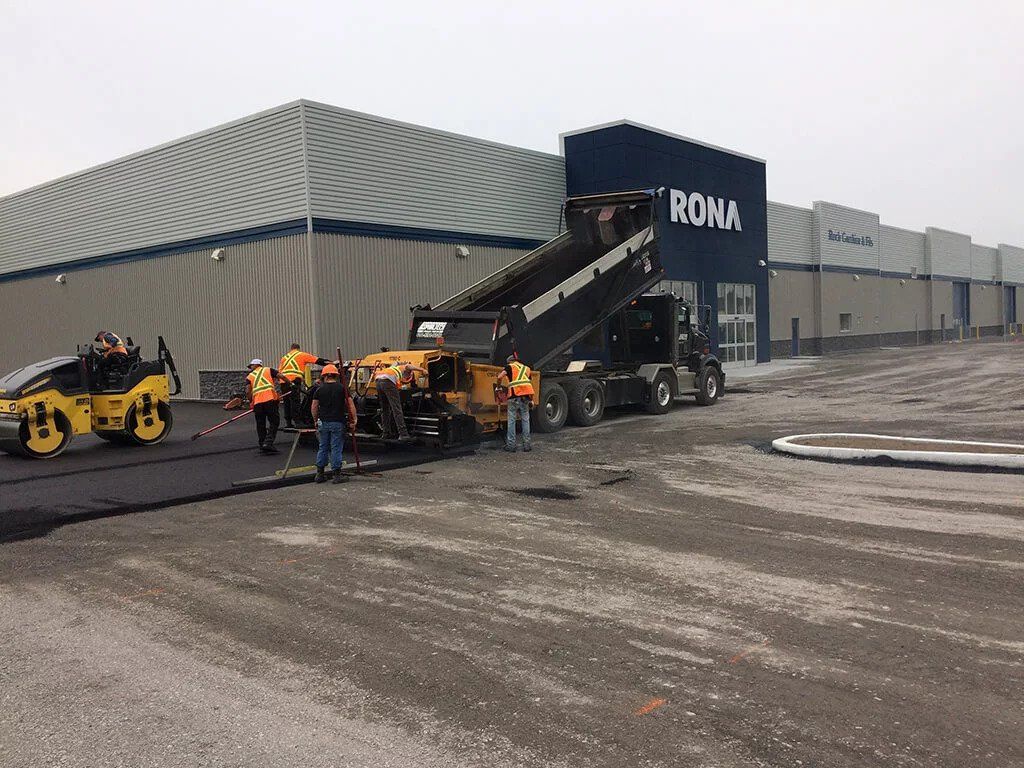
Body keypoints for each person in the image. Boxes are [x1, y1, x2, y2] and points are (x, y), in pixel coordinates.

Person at [311, 364, 357, 484]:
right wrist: (354, 419)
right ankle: (336, 474)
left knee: (323, 447)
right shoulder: (342, 388)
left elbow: (314, 407)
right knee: (336, 447)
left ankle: (319, 474)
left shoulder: (319, 389)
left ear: (324, 376)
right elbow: (350, 404)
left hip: (323, 422)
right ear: (336, 376)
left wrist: (315, 420)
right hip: (337, 422)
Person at [278, 343, 331, 428]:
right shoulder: (301, 355)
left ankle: (288, 422)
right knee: (295, 401)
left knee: (287, 402)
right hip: (294, 380)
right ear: (298, 349)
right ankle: (298, 422)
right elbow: (318, 360)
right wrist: (331, 363)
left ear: (291, 349)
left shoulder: (284, 358)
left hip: (283, 381)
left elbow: (280, 371)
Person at [373, 361, 427, 441]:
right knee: (397, 408)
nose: (405, 379)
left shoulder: (393, 368)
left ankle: (386, 433)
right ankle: (403, 434)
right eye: (407, 378)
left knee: (385, 409)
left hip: (378, 381)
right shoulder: (403, 368)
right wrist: (422, 369)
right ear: (408, 373)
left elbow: (396, 362)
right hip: (387, 382)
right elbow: (409, 366)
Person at [245, 358, 288, 454]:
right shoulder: (269, 370)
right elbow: (282, 376)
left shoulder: (249, 377)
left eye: (251, 366)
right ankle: (268, 443)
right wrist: (291, 384)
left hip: (257, 403)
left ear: (256, 365)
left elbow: (248, 391)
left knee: (260, 424)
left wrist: (251, 401)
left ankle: (262, 444)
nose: (250, 368)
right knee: (274, 421)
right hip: (270, 400)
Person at [497, 355, 534, 452]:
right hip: (526, 397)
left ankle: (511, 445)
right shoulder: (527, 368)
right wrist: (531, 399)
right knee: (525, 420)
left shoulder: (509, 367)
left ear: (510, 362)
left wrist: (498, 387)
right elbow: (528, 382)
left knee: (512, 421)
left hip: (514, 396)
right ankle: (527, 445)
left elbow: (500, 376)